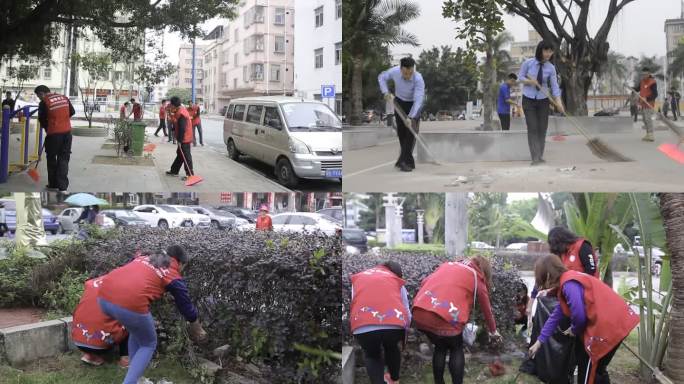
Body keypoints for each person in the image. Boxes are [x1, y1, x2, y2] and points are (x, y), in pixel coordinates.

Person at [97, 245, 207, 384]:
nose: (182, 270)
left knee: (136, 332)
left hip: (103, 297)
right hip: (129, 303)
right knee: (148, 343)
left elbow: (136, 275)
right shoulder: (172, 273)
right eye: (183, 266)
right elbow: (185, 305)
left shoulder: (145, 257)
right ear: (179, 262)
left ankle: (136, 378)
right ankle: (130, 382)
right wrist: (196, 325)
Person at [528, 255, 639, 384]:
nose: (543, 286)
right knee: (598, 370)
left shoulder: (568, 283)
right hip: (619, 320)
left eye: (542, 281)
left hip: (610, 325)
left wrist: (574, 329)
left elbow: (579, 317)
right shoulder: (569, 279)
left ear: (547, 275)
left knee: (588, 370)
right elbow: (556, 315)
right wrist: (539, 342)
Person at [412, 256, 501, 384]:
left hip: (421, 312)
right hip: (448, 318)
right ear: (483, 269)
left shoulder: (446, 265)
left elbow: (424, 282)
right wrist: (493, 331)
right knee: (456, 348)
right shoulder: (476, 277)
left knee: (440, 347)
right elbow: (486, 308)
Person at [350, 261, 410, 384]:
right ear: (396, 273)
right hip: (394, 323)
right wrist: (406, 330)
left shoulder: (359, 278)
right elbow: (406, 309)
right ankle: (394, 380)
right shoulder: (396, 280)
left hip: (363, 324)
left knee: (372, 355)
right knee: (392, 348)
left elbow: (354, 302)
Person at [518, 41, 565, 166]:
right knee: (532, 127)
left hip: (543, 100)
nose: (548, 54)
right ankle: (535, 158)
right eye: (546, 50)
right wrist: (530, 82)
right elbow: (520, 77)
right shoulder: (528, 63)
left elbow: (555, 87)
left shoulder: (551, 68)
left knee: (542, 128)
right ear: (540, 50)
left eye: (551, 51)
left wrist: (559, 103)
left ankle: (540, 155)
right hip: (528, 100)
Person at [378, 57, 425, 172]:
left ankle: (404, 162)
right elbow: (381, 77)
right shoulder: (394, 72)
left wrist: (411, 117)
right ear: (400, 69)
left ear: (413, 69)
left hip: (414, 105)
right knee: (401, 133)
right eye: (405, 73)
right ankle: (407, 161)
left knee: (411, 133)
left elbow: (418, 100)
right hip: (399, 102)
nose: (408, 75)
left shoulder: (418, 79)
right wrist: (385, 92)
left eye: (410, 73)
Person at [72, 276, 129, 367]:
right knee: (131, 319)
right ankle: (125, 360)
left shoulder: (91, 283)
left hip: (78, 340)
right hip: (102, 343)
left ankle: (90, 355)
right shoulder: (122, 287)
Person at [35, 85, 75, 192]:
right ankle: (63, 187)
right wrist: (63, 120)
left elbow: (42, 119)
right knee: (64, 158)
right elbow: (72, 111)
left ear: (41, 93)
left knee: (52, 158)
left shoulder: (44, 102)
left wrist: (48, 128)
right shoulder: (64, 98)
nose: (39, 98)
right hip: (67, 133)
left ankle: (53, 184)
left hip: (53, 134)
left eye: (38, 96)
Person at [165, 97, 194, 180]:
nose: (170, 106)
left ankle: (190, 175)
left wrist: (180, 140)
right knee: (180, 154)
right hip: (183, 136)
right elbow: (177, 123)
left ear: (174, 105)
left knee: (186, 156)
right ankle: (174, 171)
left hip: (185, 137)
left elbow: (182, 128)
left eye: (171, 105)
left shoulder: (181, 113)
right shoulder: (179, 110)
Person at [639, 67, 658, 142]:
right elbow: (637, 88)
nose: (644, 75)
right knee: (644, 119)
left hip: (649, 103)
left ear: (649, 74)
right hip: (642, 103)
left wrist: (647, 99)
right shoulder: (642, 82)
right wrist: (630, 87)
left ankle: (651, 134)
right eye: (643, 74)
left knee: (648, 119)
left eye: (646, 74)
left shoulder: (652, 82)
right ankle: (648, 133)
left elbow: (655, 94)